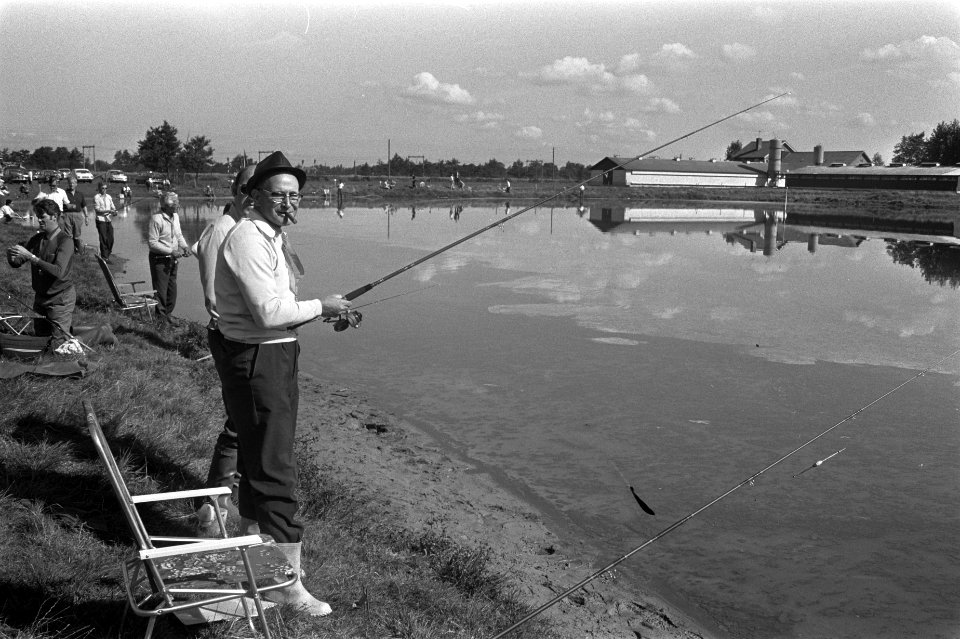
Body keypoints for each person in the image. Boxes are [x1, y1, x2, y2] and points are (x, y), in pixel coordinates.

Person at [212, 151, 350, 616]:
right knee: (275, 468)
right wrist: (321, 306)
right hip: (258, 360)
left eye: (295, 195)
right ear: (254, 196)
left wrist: (323, 310)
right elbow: (268, 314)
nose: (289, 202)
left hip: (272, 354)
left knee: (258, 463)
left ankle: (259, 558)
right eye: (279, 194)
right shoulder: (248, 238)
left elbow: (280, 307)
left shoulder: (271, 235)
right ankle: (286, 584)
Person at [192, 164, 256, 527]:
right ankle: (214, 504)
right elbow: (215, 299)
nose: (252, 195)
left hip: (243, 335)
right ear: (234, 190)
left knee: (244, 421)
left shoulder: (244, 229)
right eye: (246, 188)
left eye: (257, 188)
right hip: (231, 337)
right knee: (236, 423)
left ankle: (232, 493)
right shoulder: (222, 231)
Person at [6, 199, 75, 339]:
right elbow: (17, 263)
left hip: (60, 298)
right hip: (40, 298)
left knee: (60, 343)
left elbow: (58, 271)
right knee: (41, 338)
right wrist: (11, 256)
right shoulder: (37, 238)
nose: (39, 220)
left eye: (42, 217)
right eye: (38, 217)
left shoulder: (65, 240)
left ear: (54, 216)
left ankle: (100, 333)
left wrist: (32, 257)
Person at [147, 191, 192, 324]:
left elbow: (178, 235)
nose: (178, 205)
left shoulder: (176, 217)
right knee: (161, 290)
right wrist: (171, 251)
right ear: (167, 205)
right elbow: (152, 243)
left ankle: (168, 314)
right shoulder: (156, 219)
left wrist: (185, 247)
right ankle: (160, 319)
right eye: (176, 203)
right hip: (159, 260)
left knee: (172, 290)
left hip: (173, 259)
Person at [62, 174, 89, 254]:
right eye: (70, 183)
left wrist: (86, 216)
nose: (71, 185)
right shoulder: (64, 193)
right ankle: (70, 250)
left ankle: (78, 250)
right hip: (67, 215)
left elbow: (84, 206)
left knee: (77, 235)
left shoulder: (80, 194)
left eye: (73, 183)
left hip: (78, 215)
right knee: (68, 235)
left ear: (76, 184)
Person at [93, 183, 117, 262]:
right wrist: (108, 211)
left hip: (108, 220)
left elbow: (113, 207)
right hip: (100, 220)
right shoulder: (96, 197)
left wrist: (114, 212)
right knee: (103, 238)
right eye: (103, 188)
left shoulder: (109, 197)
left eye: (105, 188)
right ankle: (104, 257)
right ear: (99, 189)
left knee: (111, 239)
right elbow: (97, 210)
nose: (104, 190)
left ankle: (107, 254)